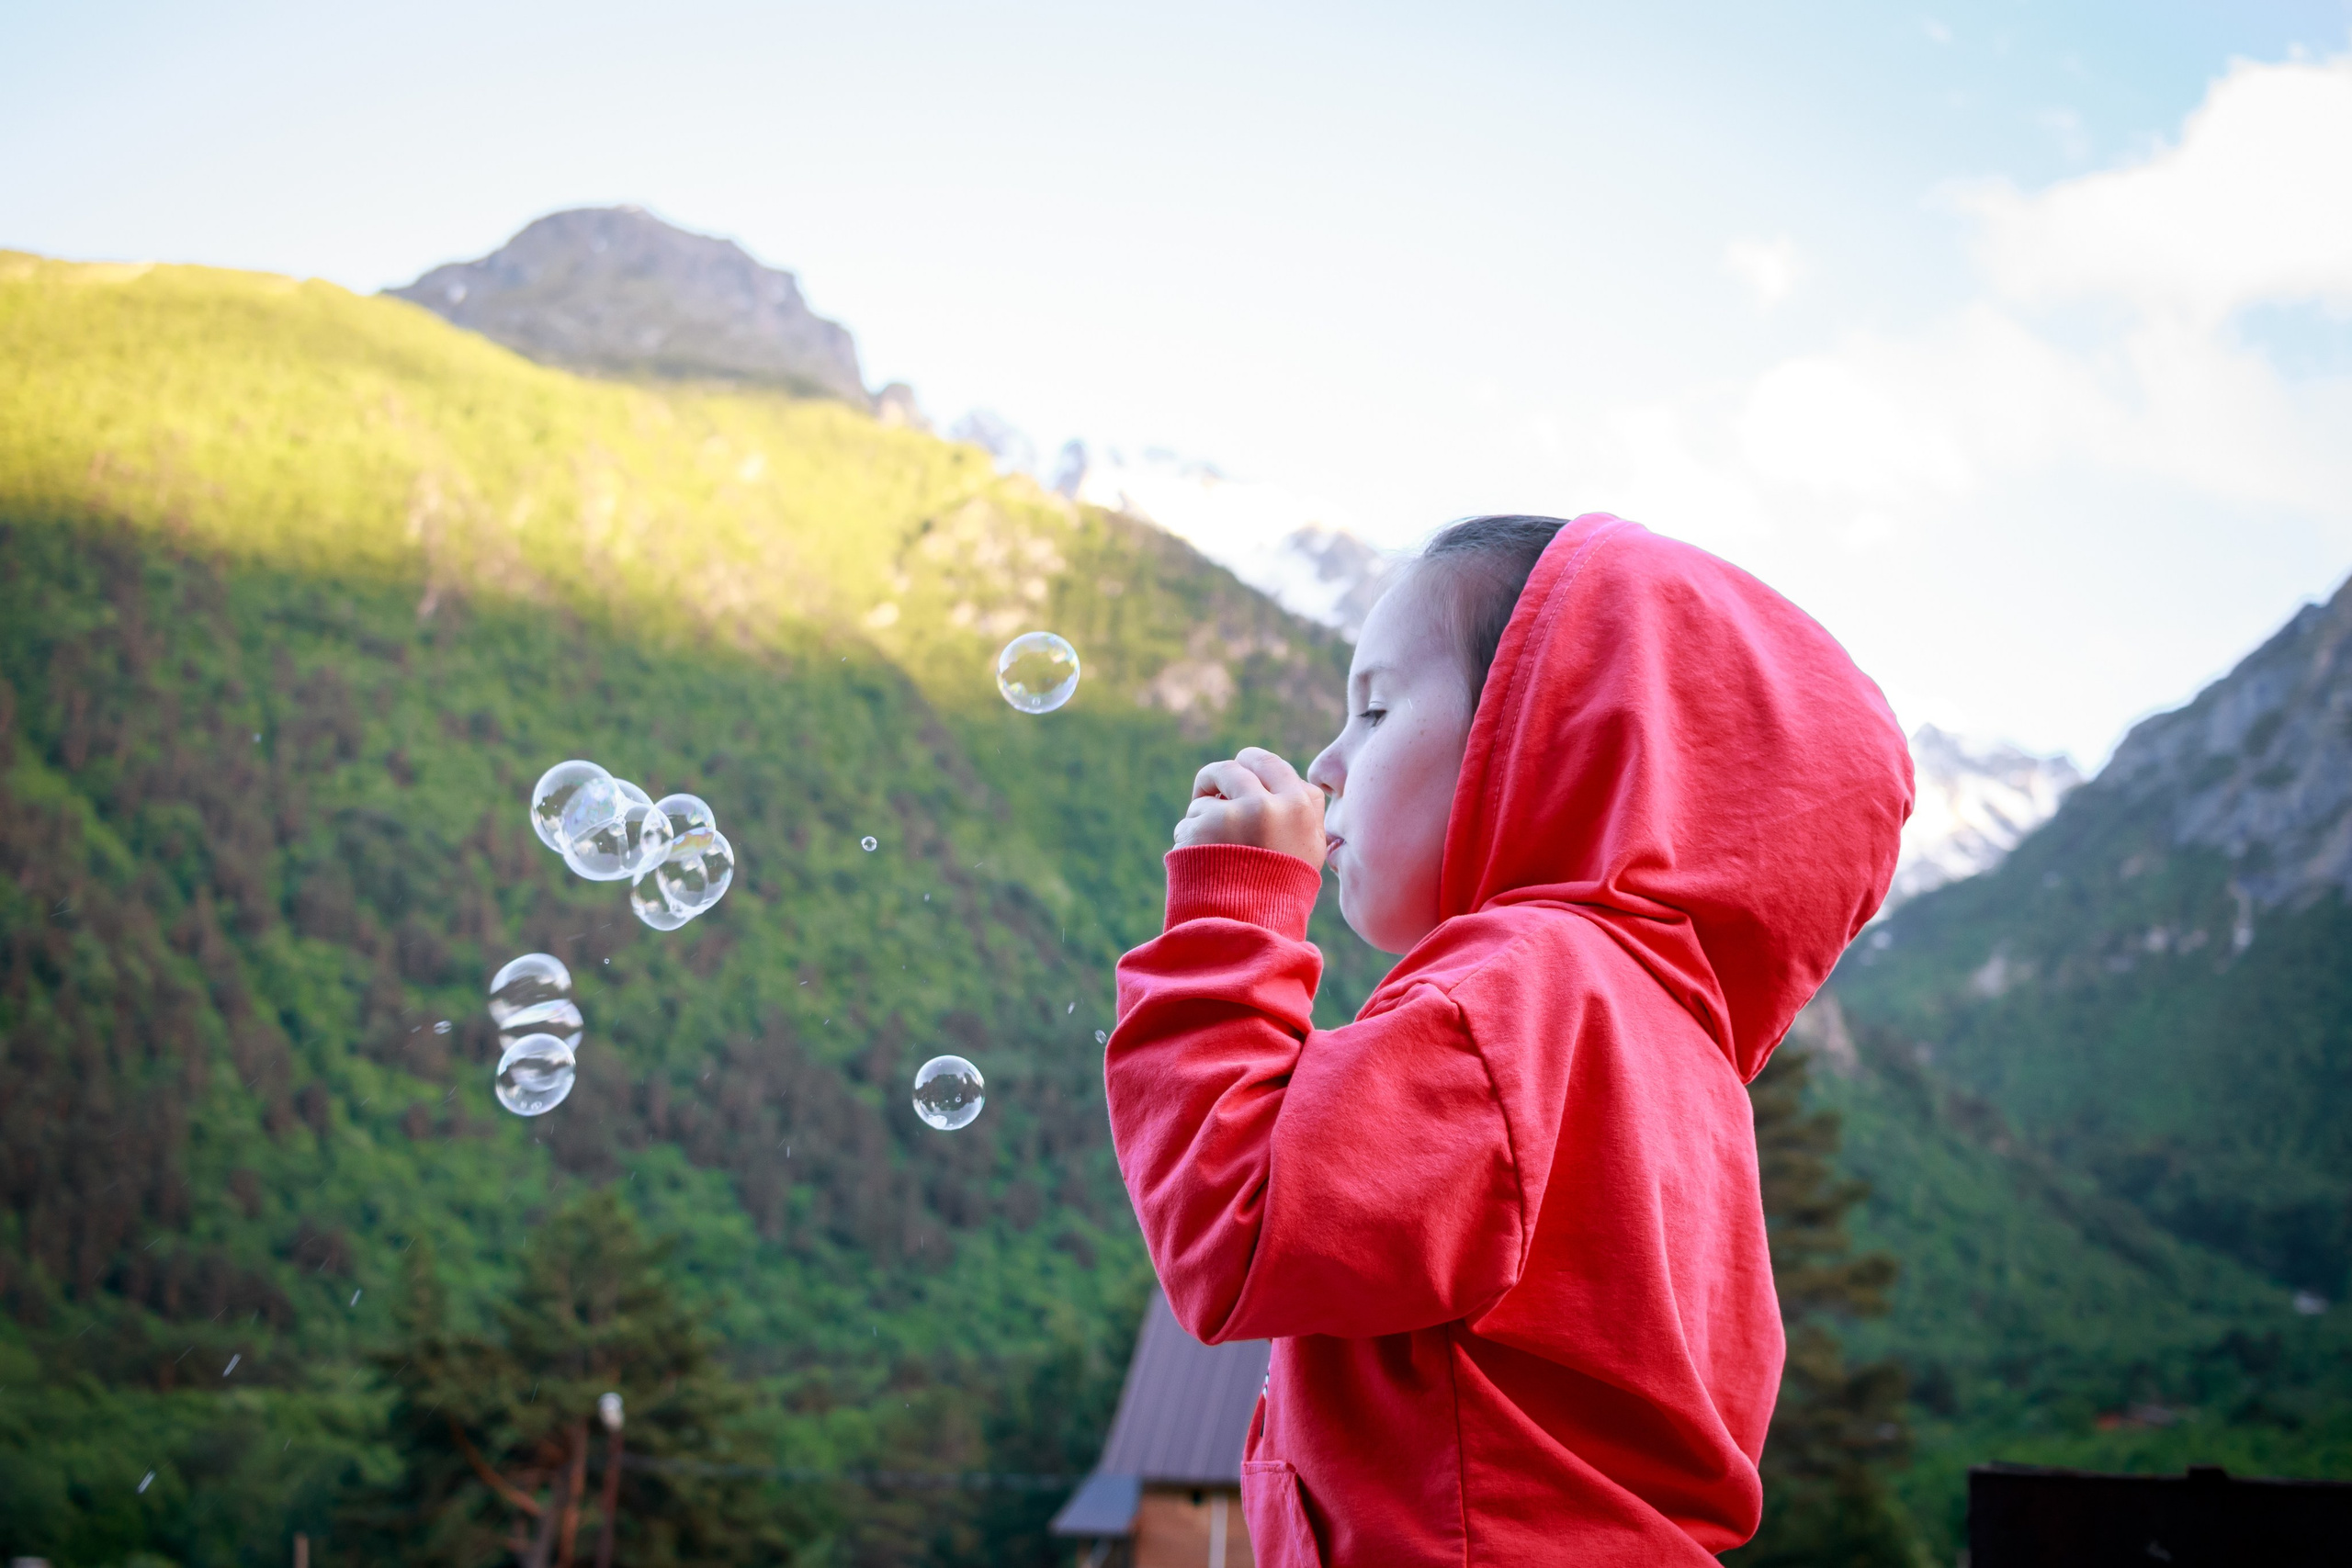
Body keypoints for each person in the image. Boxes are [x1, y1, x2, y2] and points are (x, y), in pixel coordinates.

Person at [1104, 513, 1913, 1565]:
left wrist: (1230, 915)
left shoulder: (1517, 994)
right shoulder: (1672, 1051)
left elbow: (1236, 1221)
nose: (1325, 762)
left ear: (1546, 740)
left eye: (1377, 709)